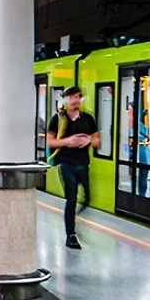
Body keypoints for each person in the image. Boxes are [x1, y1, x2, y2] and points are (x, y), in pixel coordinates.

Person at [46, 86, 100, 249]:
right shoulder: (58, 119)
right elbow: (50, 142)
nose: (75, 100)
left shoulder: (88, 119)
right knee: (71, 199)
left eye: (77, 97)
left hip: (83, 164)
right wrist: (68, 141)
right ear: (66, 100)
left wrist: (89, 141)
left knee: (87, 198)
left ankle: (75, 217)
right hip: (66, 164)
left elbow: (97, 141)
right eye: (71, 97)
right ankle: (71, 235)